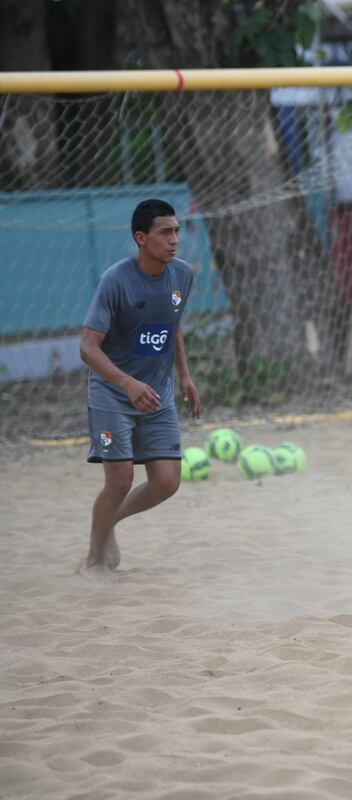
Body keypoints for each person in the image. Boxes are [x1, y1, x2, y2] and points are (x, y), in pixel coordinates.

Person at [79, 199, 201, 579]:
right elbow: (87, 347)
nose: (174, 240)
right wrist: (127, 383)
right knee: (120, 480)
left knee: (167, 482)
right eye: (165, 233)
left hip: (158, 394)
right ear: (141, 238)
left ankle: (109, 522)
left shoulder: (181, 275)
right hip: (113, 394)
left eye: (177, 231)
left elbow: (172, 323)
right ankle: (95, 559)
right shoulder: (115, 281)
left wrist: (184, 374)